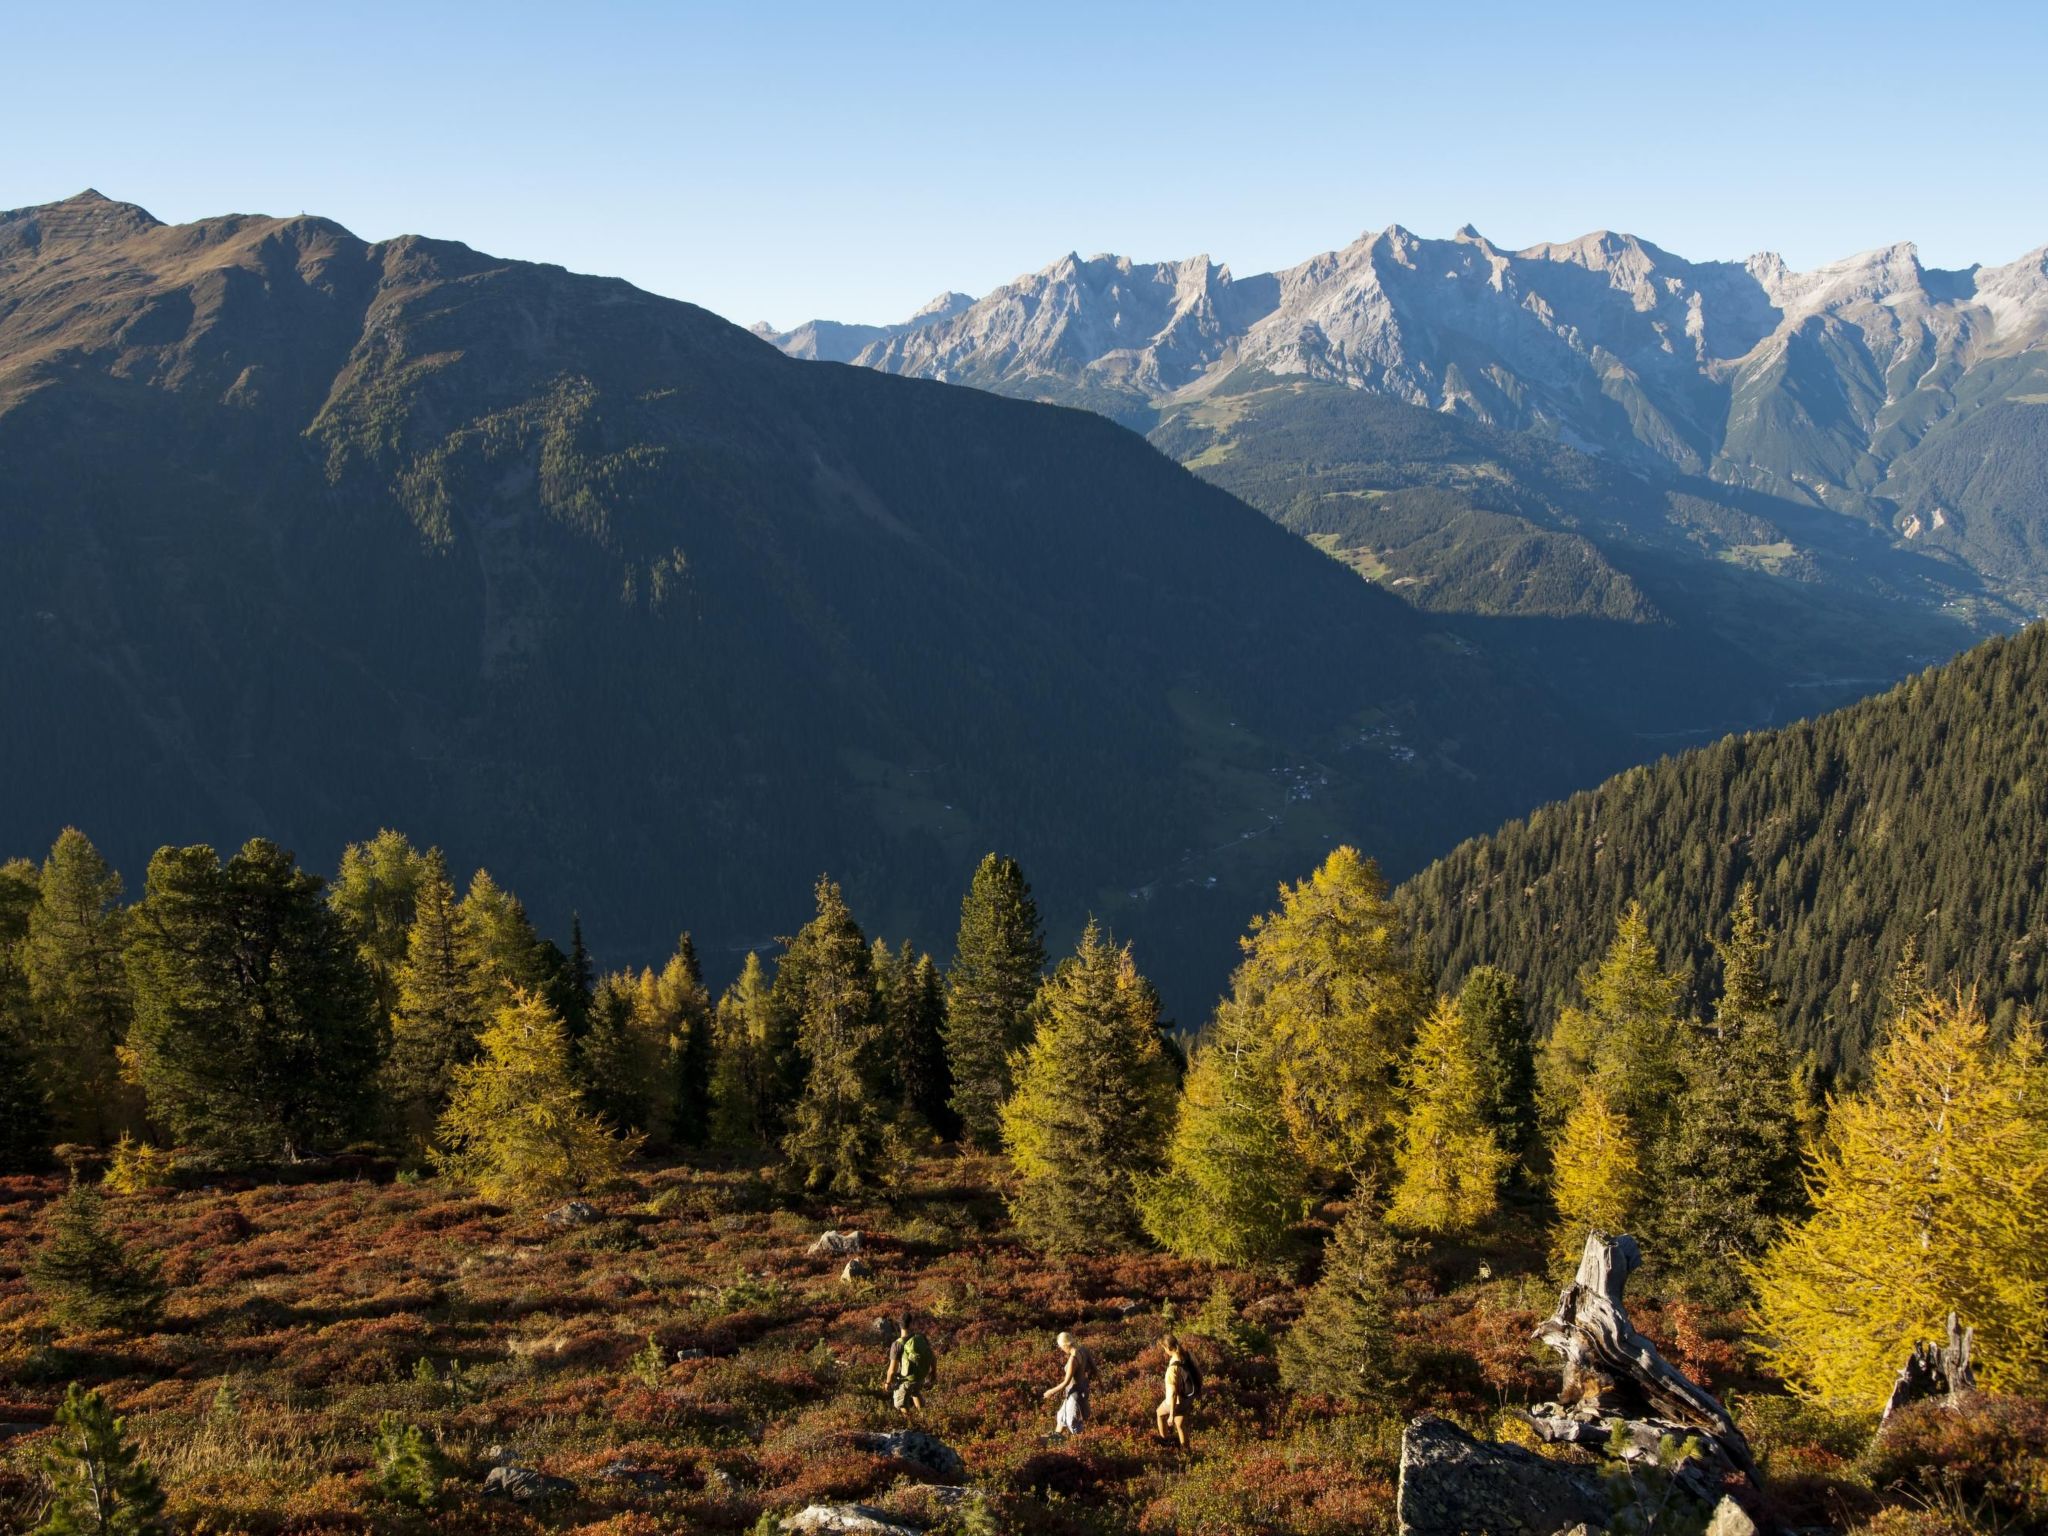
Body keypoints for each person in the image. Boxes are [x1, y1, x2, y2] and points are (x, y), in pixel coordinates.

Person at [1043, 1330, 1097, 1435]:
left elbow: (1066, 1382)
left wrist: (1050, 1392)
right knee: (1061, 1417)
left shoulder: (1073, 1359)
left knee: (1072, 1423)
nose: (1061, 1349)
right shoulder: (1082, 1350)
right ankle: (1056, 1440)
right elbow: (1094, 1368)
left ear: (1065, 1345)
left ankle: (1087, 1442)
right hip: (1077, 1390)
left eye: (1061, 1347)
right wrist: (1100, 1382)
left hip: (1075, 1394)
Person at [882, 1315, 936, 1416]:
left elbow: (892, 1370)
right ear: (911, 1324)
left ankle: (910, 1421)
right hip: (921, 1376)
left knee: (900, 1404)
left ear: (899, 1325)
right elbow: (932, 1356)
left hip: (906, 1380)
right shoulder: (921, 1337)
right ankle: (924, 1416)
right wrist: (933, 1372)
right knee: (915, 1392)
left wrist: (887, 1383)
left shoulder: (897, 1345)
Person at [1154, 1334, 1198, 1449]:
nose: (1164, 1351)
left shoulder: (1172, 1368)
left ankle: (1165, 1442)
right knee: (1180, 1424)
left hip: (1176, 1402)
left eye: (1164, 1348)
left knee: (1159, 1413)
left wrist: (1171, 1415)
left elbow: (1173, 1394)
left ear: (1168, 1348)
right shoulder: (1187, 1355)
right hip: (1188, 1398)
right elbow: (1197, 1374)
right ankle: (1186, 1452)